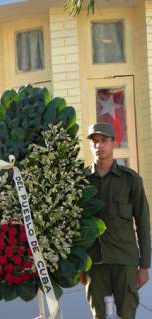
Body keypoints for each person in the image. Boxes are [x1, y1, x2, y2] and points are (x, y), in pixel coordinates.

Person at [84, 122, 151, 319]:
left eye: (104, 141)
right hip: (94, 263)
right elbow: (75, 225)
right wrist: (79, 264)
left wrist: (144, 265)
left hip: (124, 261)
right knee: (99, 316)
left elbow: (143, 223)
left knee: (127, 315)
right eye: (94, 141)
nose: (99, 145)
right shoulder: (81, 181)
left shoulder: (130, 180)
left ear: (114, 143)